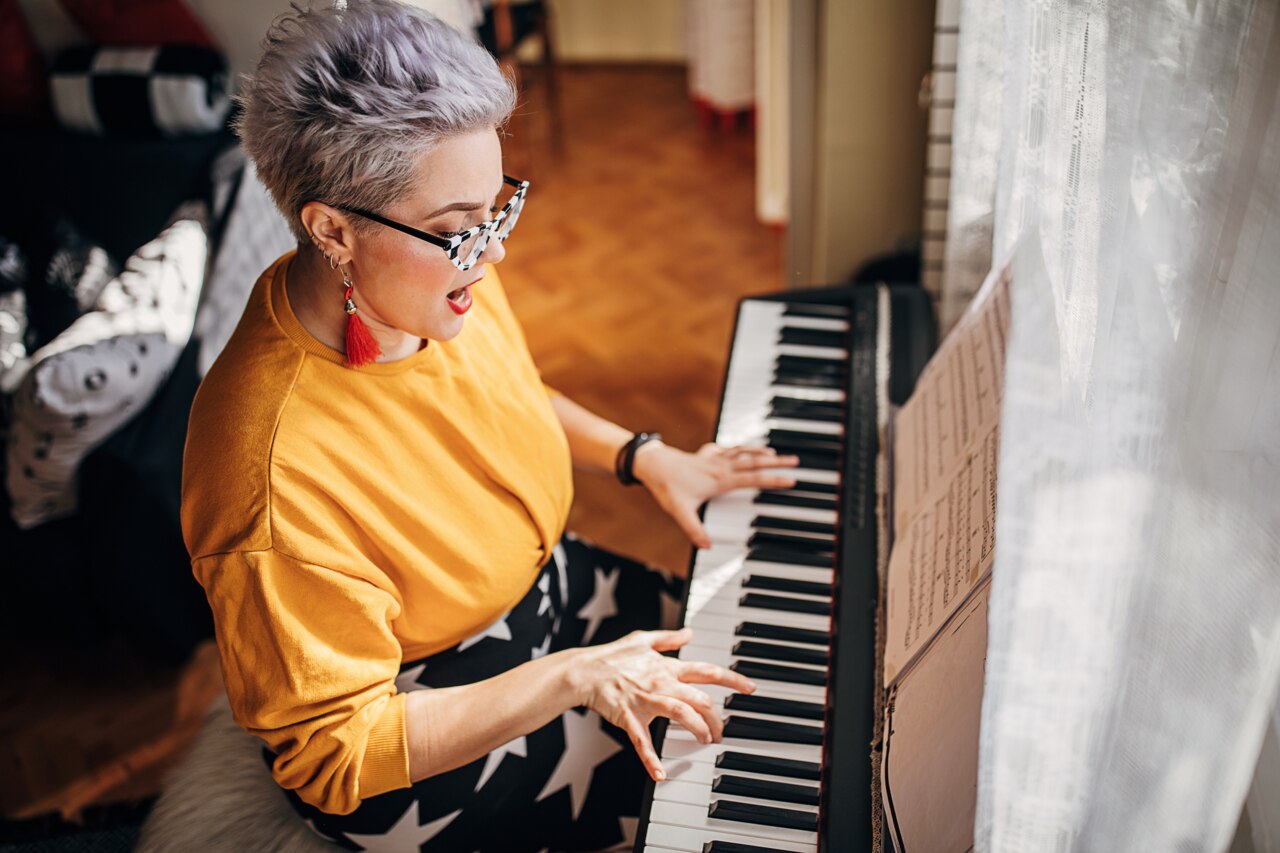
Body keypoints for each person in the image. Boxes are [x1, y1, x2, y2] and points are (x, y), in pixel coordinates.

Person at [181, 2, 799, 850]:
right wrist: (573, 677)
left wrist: (642, 456)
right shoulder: (267, 474)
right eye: (456, 229)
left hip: (548, 592)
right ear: (332, 229)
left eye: (494, 208)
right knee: (727, 815)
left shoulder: (431, 275)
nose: (494, 253)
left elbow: (503, 396)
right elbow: (337, 749)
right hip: (424, 729)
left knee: (765, 686)